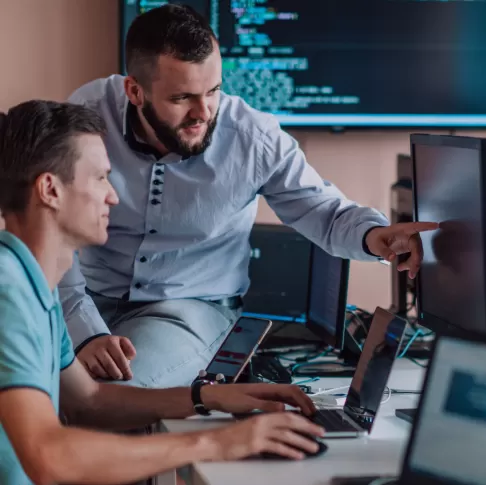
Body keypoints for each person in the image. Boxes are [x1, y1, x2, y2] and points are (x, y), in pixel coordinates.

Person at [61, 4, 438, 387]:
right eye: (182, 98)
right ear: (135, 91)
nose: (203, 112)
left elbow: (324, 210)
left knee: (113, 390)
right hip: (84, 298)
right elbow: (51, 224)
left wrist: (376, 236)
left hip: (189, 310)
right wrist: (83, 328)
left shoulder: (253, 138)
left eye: (213, 91)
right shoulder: (87, 117)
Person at [0, 99, 325, 485]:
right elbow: (48, 458)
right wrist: (218, 442)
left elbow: (90, 401)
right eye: (100, 178)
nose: (112, 196)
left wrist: (208, 398)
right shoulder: (9, 288)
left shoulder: (33, 283)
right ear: (50, 190)